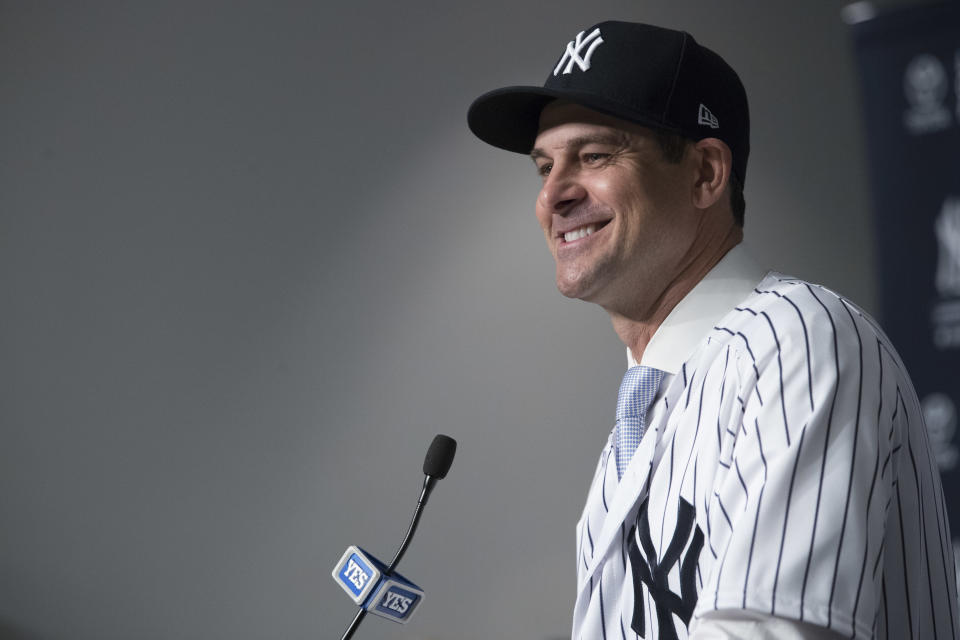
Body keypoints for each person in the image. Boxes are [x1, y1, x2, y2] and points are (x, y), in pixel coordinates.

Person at [467, 20, 959, 640]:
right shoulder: (642, 420)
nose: (554, 196)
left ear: (704, 172)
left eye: (593, 156)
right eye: (544, 167)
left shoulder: (800, 339)